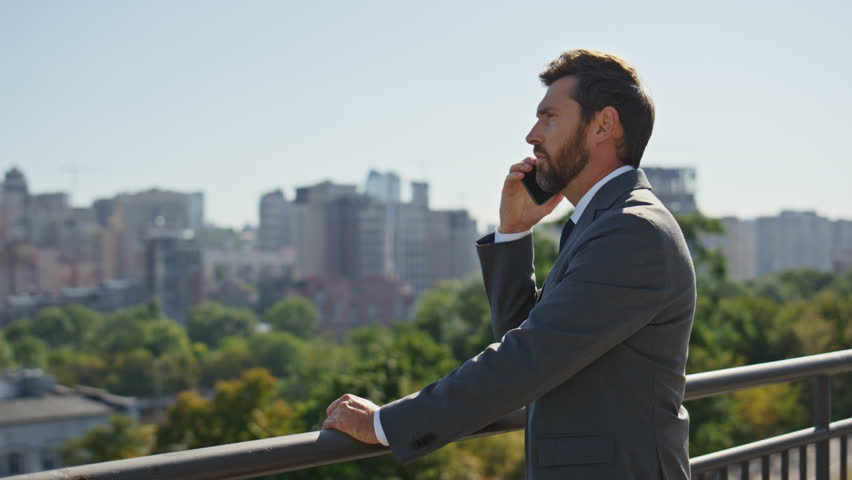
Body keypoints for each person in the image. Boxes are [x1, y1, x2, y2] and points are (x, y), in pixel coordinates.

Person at [323, 49, 696, 479]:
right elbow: (534, 343)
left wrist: (385, 424)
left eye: (549, 117)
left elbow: (524, 360)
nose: (532, 135)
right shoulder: (603, 223)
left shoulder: (632, 230)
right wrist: (514, 231)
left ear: (604, 124)